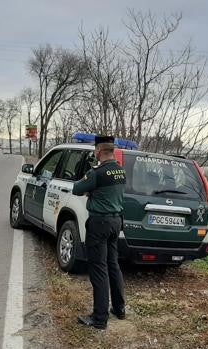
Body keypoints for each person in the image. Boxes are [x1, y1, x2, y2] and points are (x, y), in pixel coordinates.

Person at [72, 135, 126, 330]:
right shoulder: (121, 171)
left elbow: (77, 188)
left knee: (98, 269)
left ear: (98, 151)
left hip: (99, 224)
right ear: (112, 150)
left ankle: (99, 318)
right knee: (113, 265)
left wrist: (90, 191)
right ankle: (119, 309)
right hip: (115, 222)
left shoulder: (97, 173)